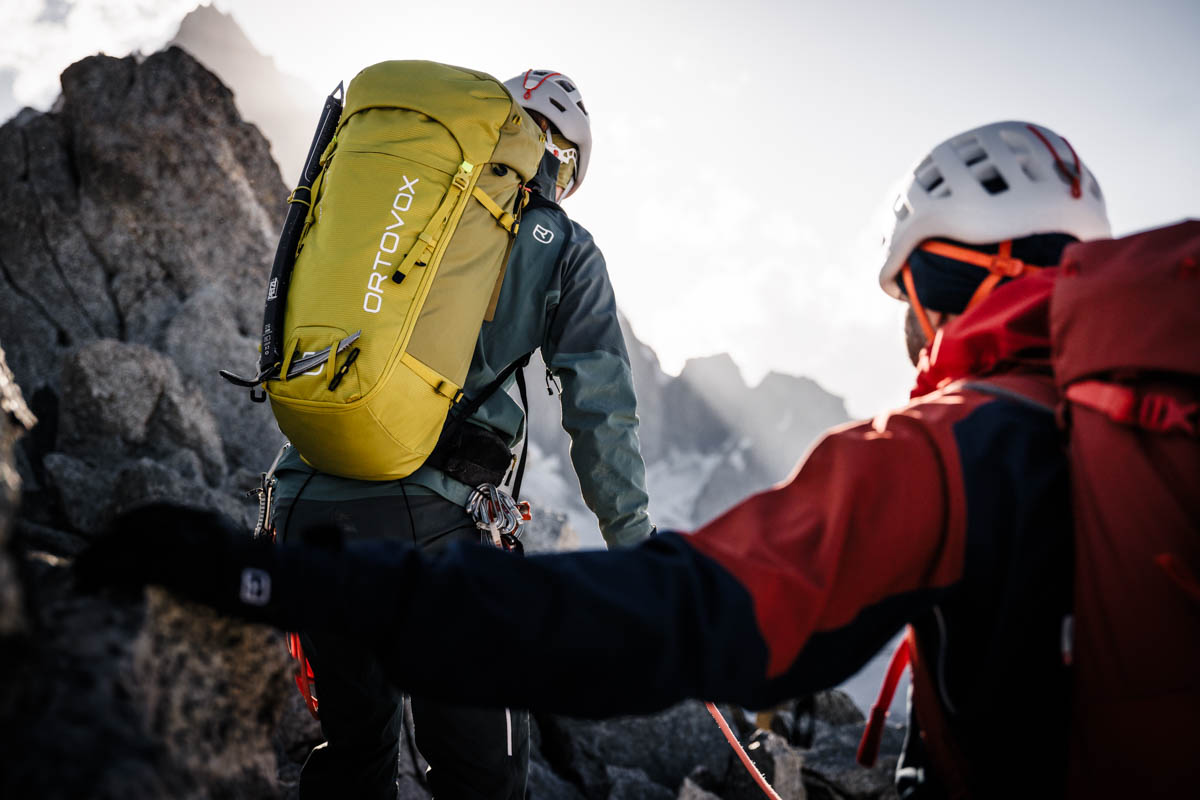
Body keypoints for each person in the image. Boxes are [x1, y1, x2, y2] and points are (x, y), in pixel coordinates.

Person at [79, 121, 1199, 798]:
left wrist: (278, 575)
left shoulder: (956, 447)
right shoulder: (1160, 404)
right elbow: (601, 403)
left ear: (937, 281)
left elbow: (662, 616)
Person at [264, 68, 654, 800]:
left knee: (356, 757)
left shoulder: (399, 195)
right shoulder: (561, 245)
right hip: (435, 530)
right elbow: (601, 412)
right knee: (484, 781)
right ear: (563, 161)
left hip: (302, 501)